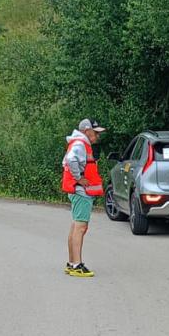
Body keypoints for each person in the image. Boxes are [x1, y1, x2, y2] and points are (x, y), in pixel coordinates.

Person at [61, 118, 105, 276]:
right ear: (87, 131)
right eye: (96, 132)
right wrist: (79, 178)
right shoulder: (80, 144)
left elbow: (66, 161)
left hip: (78, 191)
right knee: (80, 227)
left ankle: (72, 263)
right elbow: (71, 160)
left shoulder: (78, 143)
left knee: (75, 226)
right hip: (81, 191)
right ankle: (76, 265)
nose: (98, 136)